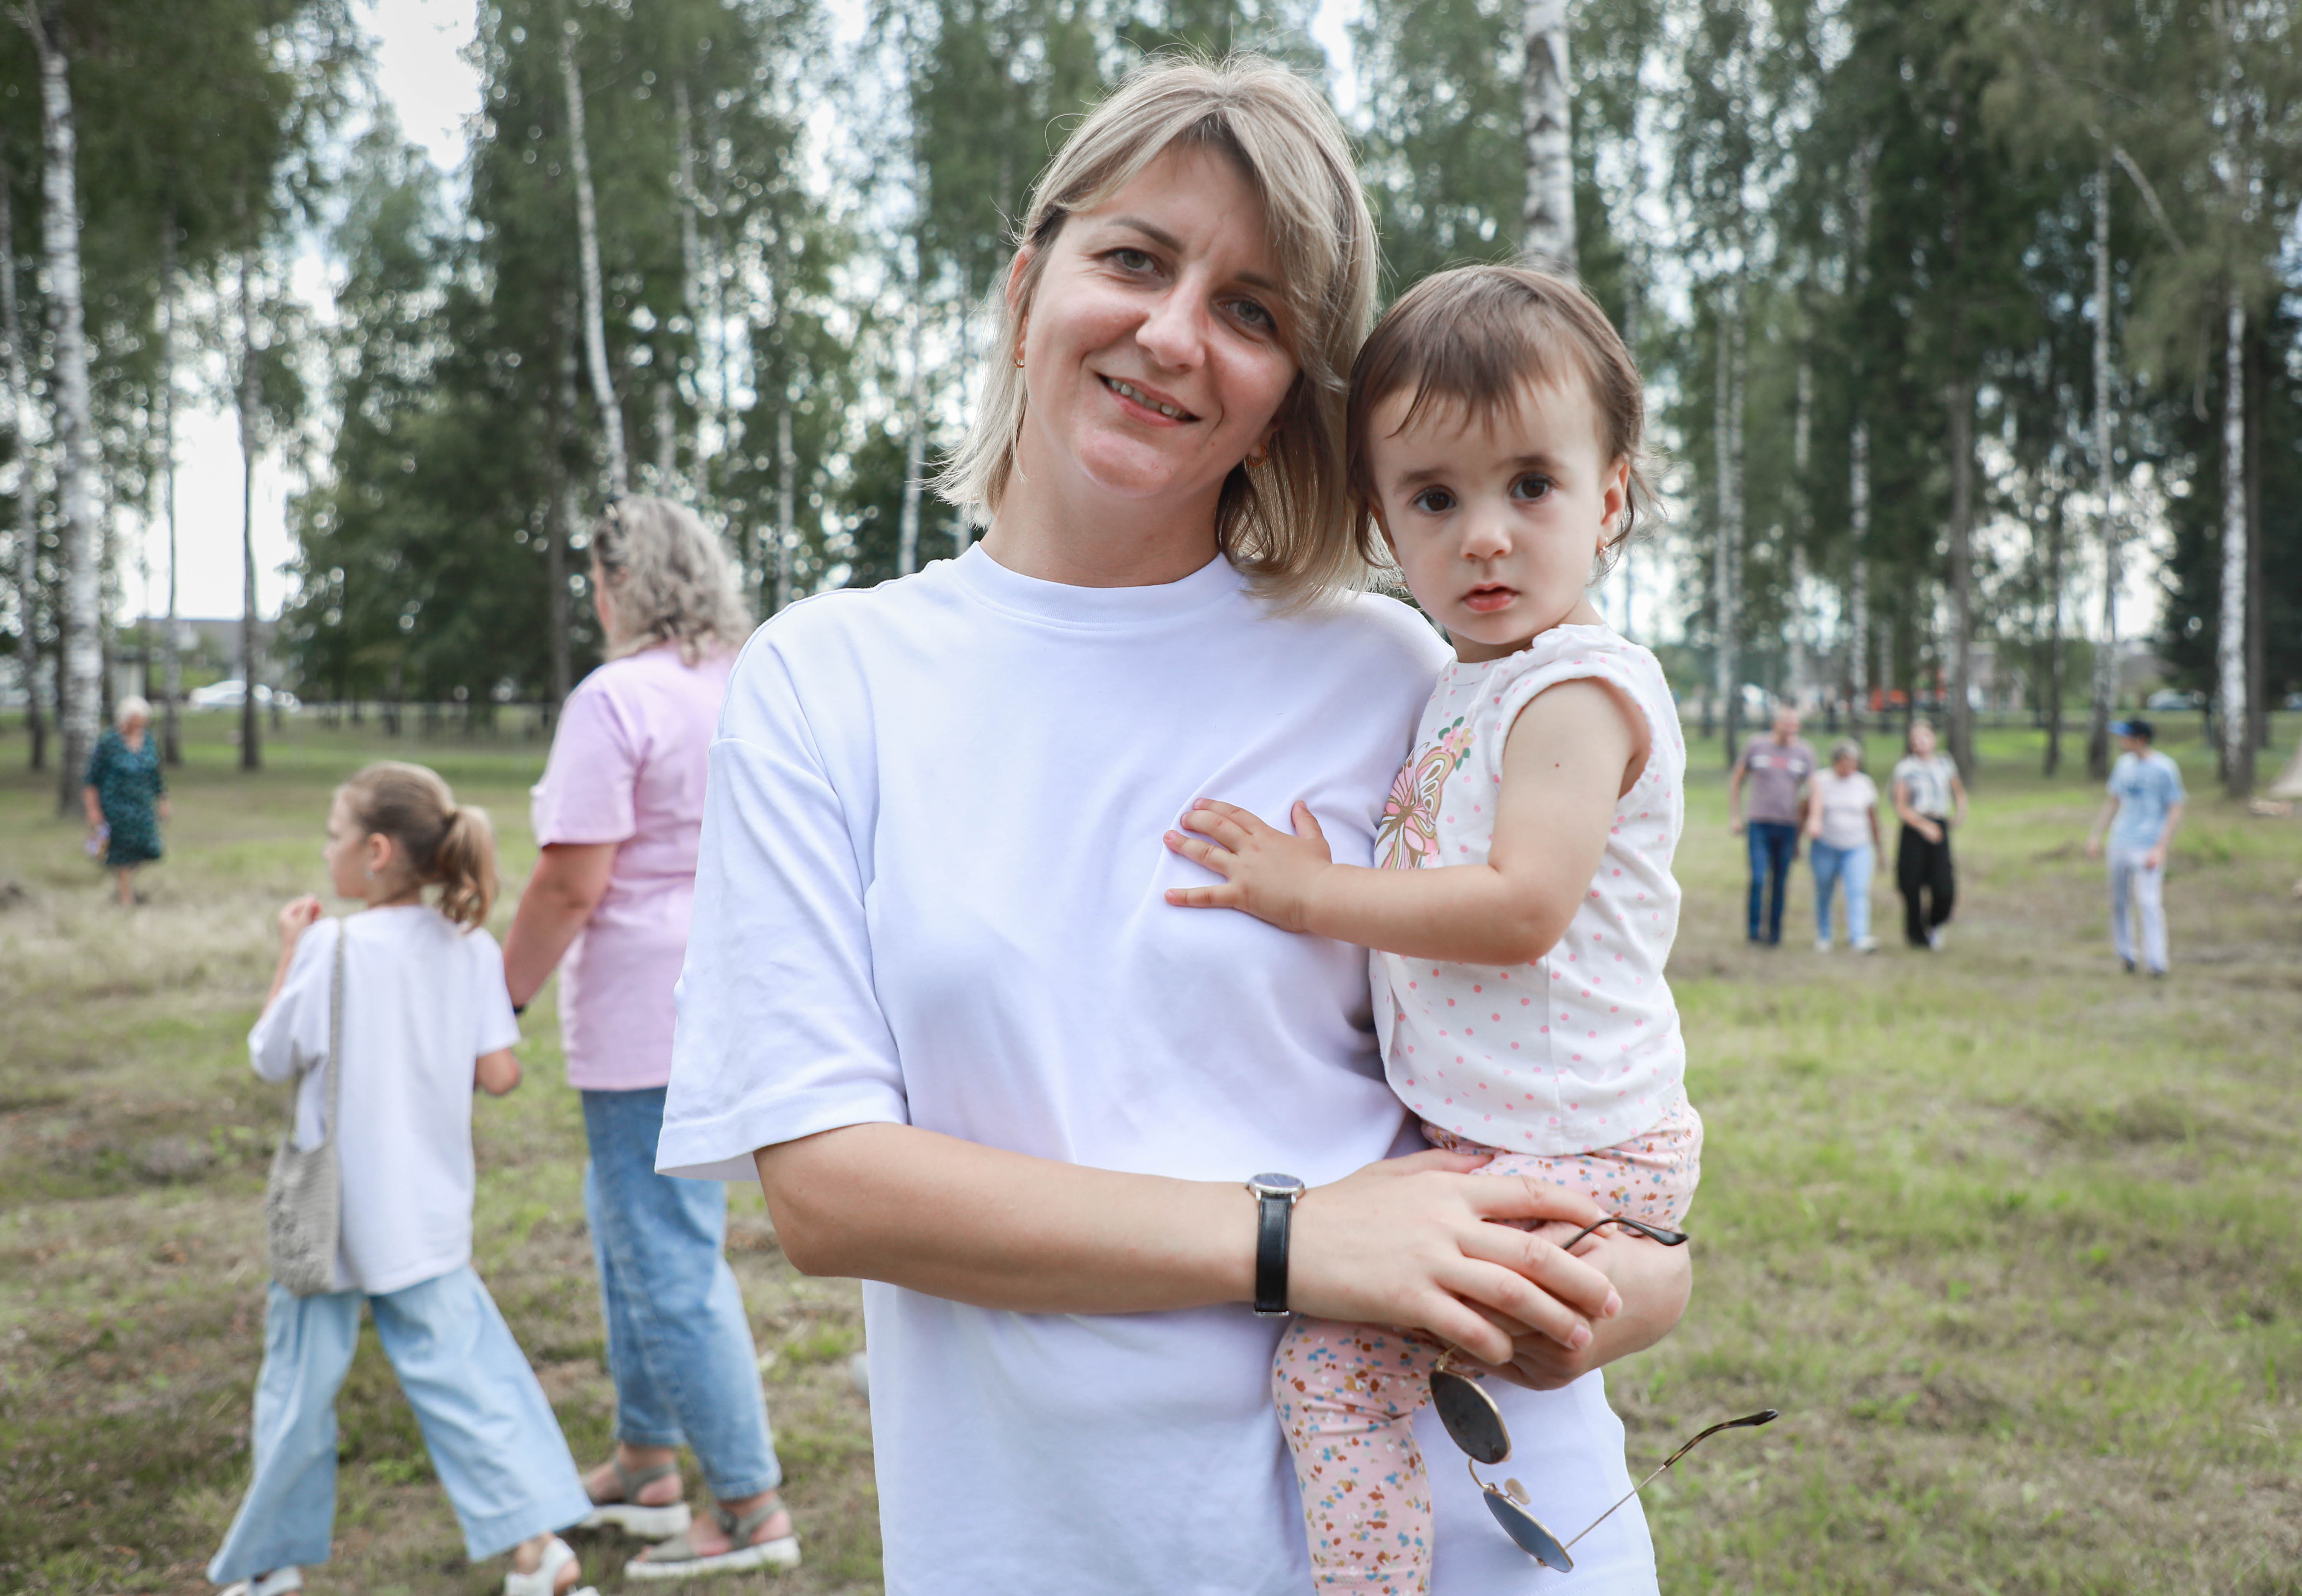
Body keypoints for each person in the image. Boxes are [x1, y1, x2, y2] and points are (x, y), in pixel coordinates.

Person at [657, 57, 1691, 1596]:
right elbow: (825, 1189)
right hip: (1067, 1548)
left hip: (1489, 1538)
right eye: (1134, 260)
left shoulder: (1406, 674)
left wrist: (1621, 1288)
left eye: (1254, 308)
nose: (1171, 332)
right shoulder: (833, 677)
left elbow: (1583, 1090)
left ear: (1294, 396)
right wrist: (1293, 1242)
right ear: (1028, 288)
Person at [1158, 263, 1698, 1594]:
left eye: (1531, 485)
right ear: (1382, 520)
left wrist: (1306, 894)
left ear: (1610, 497)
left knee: (1334, 1377)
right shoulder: (1463, 682)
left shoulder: (1574, 688)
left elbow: (1520, 908)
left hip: (1573, 1153)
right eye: (1434, 498)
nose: (1486, 537)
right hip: (1508, 1134)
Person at [211, 763, 592, 1596]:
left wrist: (287, 953)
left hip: (333, 1221)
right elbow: (498, 1074)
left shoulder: (332, 946)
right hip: (426, 1213)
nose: (327, 850)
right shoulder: (471, 946)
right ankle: (539, 1552)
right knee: (468, 1381)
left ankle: (271, 1567)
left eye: (334, 834)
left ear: (377, 851)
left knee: (298, 1397)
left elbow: (270, 1055)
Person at [501, 496, 792, 1580]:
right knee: (632, 1224)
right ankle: (646, 1460)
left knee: (666, 1254)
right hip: (732, 987)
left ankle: (752, 1503)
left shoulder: (615, 696)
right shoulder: (741, 678)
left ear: (618, 583)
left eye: (594, 577)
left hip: (637, 1007)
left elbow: (572, 877)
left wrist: (502, 998)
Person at [2085, 718, 2186, 977]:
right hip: (2120, 842)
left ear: (2140, 739)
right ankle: (2127, 955)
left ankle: (2157, 962)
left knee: (2149, 902)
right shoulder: (2123, 765)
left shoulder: (2164, 768)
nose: (2121, 742)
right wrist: (2096, 835)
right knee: (2119, 902)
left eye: (2125, 737)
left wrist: (2160, 847)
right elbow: (2114, 801)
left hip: (2147, 845)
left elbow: (2175, 807)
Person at [1728, 704, 1815, 945]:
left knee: (1780, 881)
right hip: (1759, 823)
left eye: (1796, 724)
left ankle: (1774, 934)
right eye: (1788, 722)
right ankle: (1754, 932)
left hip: (1788, 826)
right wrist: (1735, 816)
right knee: (1758, 878)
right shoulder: (1757, 745)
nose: (1792, 728)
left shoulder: (1804, 752)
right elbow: (1737, 779)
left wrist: (1814, 819)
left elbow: (1814, 789)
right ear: (1776, 723)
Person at [82, 695, 168, 905]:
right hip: (115, 807)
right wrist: (93, 811)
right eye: (137, 719)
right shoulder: (109, 743)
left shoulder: (148, 741)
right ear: (126, 719)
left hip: (142, 806)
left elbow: (156, 775)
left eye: (144, 719)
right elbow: (91, 780)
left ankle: (126, 885)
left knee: (150, 848)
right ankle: (125, 896)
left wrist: (163, 800)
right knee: (120, 852)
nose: (141, 724)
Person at [1889, 718, 1966, 950]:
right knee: (1911, 884)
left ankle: (1934, 923)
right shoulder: (1905, 769)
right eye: (1916, 740)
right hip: (1915, 827)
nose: (1921, 743)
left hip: (1939, 823)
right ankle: (1917, 936)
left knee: (1944, 885)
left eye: (1925, 738)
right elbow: (1901, 806)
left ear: (1933, 739)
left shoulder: (1945, 764)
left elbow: (1959, 793)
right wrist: (1923, 825)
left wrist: (1959, 814)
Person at [1804, 738, 1879, 953]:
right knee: (1824, 890)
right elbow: (1806, 810)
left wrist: (1878, 845)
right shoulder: (1821, 781)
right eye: (1844, 762)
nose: (1848, 767)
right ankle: (1824, 935)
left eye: (1853, 762)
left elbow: (1872, 816)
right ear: (1835, 762)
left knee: (1857, 891)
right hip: (1826, 846)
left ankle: (1859, 936)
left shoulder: (1864, 784)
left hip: (1857, 846)